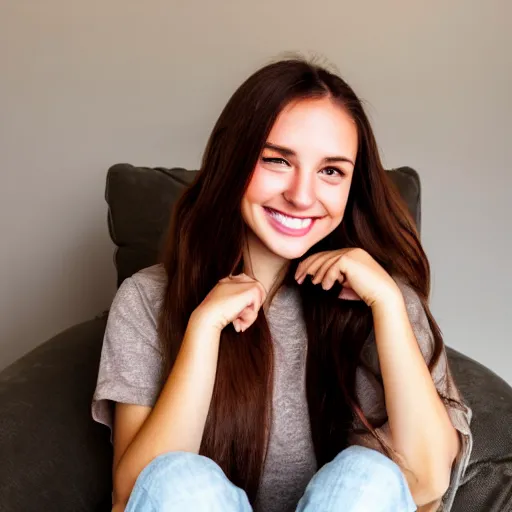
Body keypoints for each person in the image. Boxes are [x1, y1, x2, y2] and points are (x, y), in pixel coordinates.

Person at [92, 57, 473, 512]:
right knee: (180, 479)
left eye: (331, 171)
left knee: (367, 478)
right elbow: (138, 493)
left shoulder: (382, 298)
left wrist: (389, 305)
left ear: (353, 184)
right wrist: (203, 330)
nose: (301, 195)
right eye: (277, 160)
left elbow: (428, 480)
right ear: (231, 162)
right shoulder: (146, 298)